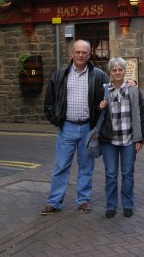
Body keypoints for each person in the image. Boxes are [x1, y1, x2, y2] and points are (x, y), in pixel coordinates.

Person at [41, 40, 109, 215]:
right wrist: (57, 121)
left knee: (86, 167)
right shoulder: (59, 75)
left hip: (87, 128)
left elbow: (112, 92)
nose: (80, 55)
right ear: (72, 54)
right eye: (77, 52)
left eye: (84, 52)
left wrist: (130, 83)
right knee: (61, 166)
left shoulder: (99, 75)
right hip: (67, 128)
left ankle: (84, 200)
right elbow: (49, 103)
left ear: (89, 54)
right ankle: (54, 202)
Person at [99, 57, 144, 218]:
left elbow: (140, 115)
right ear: (110, 72)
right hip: (109, 141)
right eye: (114, 70)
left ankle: (127, 204)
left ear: (125, 71)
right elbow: (95, 115)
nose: (117, 72)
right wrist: (99, 107)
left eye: (120, 70)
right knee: (111, 174)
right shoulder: (104, 90)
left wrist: (139, 139)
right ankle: (111, 205)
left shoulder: (133, 90)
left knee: (127, 173)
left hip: (128, 140)